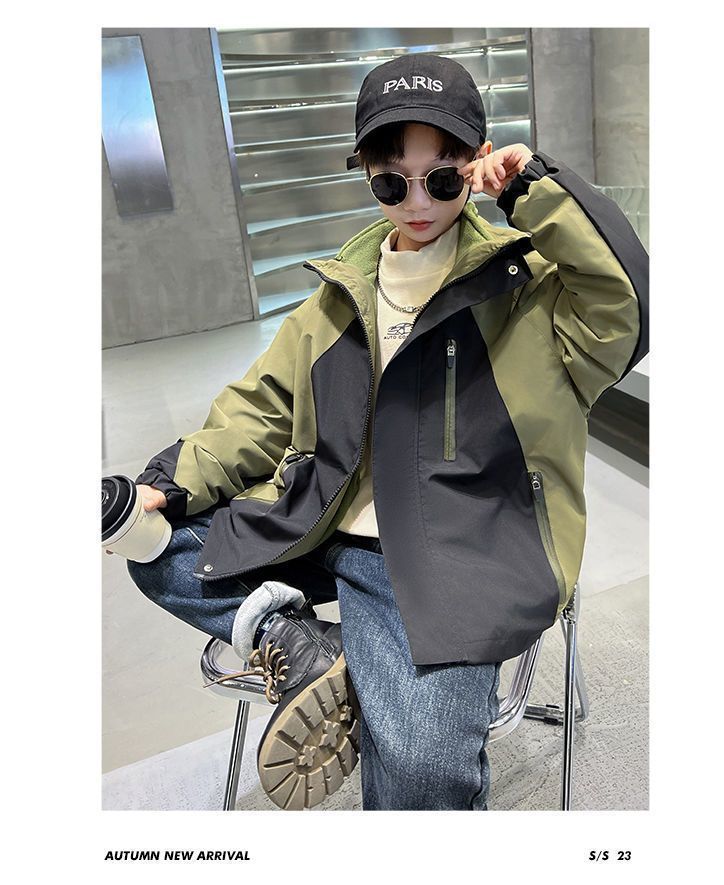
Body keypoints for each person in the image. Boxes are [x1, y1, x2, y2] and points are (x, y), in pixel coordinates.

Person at [122, 52, 649, 811]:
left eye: (442, 178)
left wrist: (534, 188)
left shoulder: (533, 289)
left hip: (460, 544)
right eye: (391, 183)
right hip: (321, 518)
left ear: (476, 163)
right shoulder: (341, 292)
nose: (418, 201)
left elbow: (626, 303)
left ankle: (334, 661)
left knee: (420, 769)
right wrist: (166, 483)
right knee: (149, 542)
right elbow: (261, 410)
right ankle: (300, 644)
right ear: (366, 173)